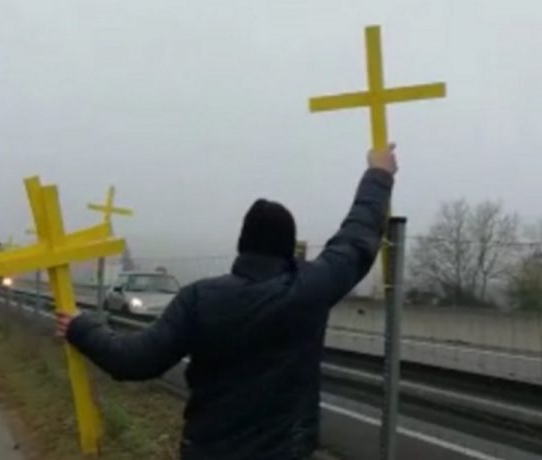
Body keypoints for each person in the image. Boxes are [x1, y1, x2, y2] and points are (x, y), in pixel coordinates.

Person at [56, 144, 397, 460]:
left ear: (242, 244)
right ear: (289, 247)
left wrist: (79, 326)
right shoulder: (308, 290)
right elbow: (355, 240)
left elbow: (133, 360)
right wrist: (378, 174)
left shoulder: (199, 298)